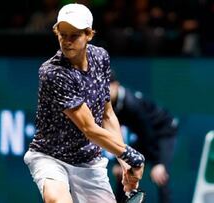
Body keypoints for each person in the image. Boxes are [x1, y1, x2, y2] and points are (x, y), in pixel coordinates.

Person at [23, 3, 145, 203]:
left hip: (88, 161)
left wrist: (123, 161)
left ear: (88, 34)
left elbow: (107, 114)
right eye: (63, 35)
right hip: (49, 156)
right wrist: (132, 156)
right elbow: (89, 128)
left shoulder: (100, 57)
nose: (67, 41)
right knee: (57, 200)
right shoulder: (53, 72)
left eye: (75, 35)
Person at [109, 73, 178, 203]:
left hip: (163, 132)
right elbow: (117, 134)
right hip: (144, 136)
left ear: (116, 85)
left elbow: (148, 133)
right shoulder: (111, 105)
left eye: (106, 88)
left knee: (160, 175)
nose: (103, 92)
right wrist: (119, 162)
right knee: (123, 172)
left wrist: (157, 163)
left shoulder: (132, 104)